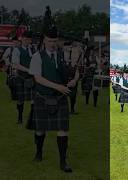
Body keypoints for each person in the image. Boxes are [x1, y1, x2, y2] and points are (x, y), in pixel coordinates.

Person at [28, 26, 72, 172]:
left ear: (57, 40)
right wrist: (57, 86)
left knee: (63, 129)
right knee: (40, 130)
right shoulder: (37, 56)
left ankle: (63, 162)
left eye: (54, 40)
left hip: (60, 98)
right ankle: (39, 152)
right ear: (44, 40)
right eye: (49, 40)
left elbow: (69, 74)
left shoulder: (62, 55)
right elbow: (37, 78)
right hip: (43, 97)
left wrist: (73, 80)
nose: (52, 44)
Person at [12, 31, 35, 124]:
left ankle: (32, 118)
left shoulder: (33, 49)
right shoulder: (17, 50)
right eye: (25, 39)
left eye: (28, 39)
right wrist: (28, 70)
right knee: (20, 99)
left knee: (34, 99)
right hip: (21, 77)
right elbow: (16, 65)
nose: (26, 40)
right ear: (22, 39)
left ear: (30, 40)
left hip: (32, 78)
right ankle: (20, 117)